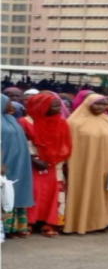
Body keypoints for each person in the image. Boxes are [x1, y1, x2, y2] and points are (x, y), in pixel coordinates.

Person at [64, 94, 108, 234]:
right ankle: (80, 223)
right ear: (87, 104)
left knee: (104, 193)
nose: (101, 107)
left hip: (106, 164)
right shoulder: (74, 122)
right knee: (84, 190)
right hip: (83, 165)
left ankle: (102, 222)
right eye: (97, 104)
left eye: (104, 104)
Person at [18, 94, 72, 237]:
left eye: (58, 104)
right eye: (54, 105)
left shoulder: (61, 122)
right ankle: (28, 223)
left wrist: (55, 159)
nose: (58, 107)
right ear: (41, 105)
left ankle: (49, 223)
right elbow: (21, 144)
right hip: (32, 164)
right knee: (34, 192)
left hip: (55, 164)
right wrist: (33, 159)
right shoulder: (25, 122)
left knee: (53, 193)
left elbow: (65, 144)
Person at [1, 94, 33, 238]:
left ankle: (14, 228)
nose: (12, 106)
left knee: (14, 193)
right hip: (4, 162)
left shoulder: (11, 119)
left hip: (17, 162)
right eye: (8, 103)